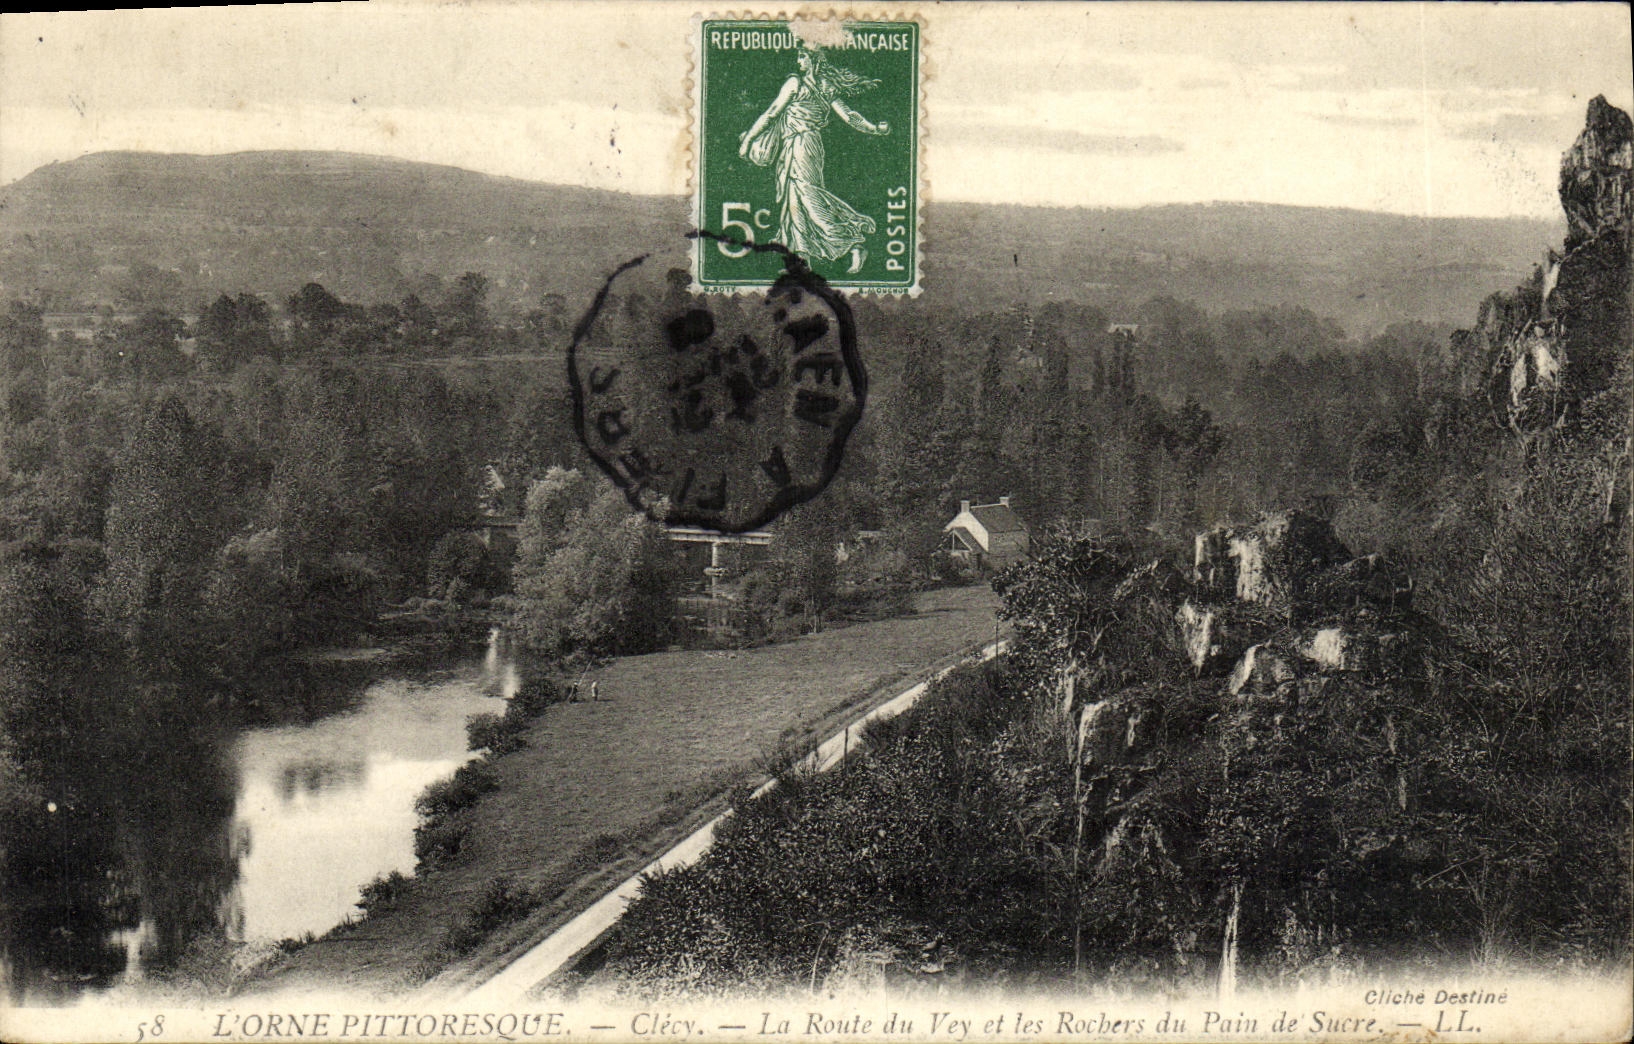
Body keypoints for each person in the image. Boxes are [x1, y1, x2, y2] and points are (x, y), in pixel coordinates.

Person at [738, 45, 890, 272]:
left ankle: (852, 245)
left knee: (808, 197)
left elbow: (771, 113)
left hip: (801, 145)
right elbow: (850, 117)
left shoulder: (795, 84)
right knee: (795, 200)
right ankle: (802, 260)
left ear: (814, 60)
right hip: (805, 145)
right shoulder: (827, 87)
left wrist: (748, 139)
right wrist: (874, 128)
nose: (798, 61)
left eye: (802, 56)